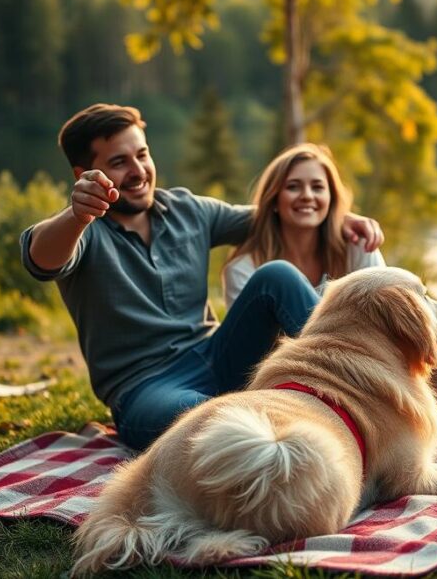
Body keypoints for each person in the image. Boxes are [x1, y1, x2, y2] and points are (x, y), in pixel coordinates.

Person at [19, 104, 383, 450]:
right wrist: (76, 215)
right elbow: (40, 258)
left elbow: (273, 213)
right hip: (147, 387)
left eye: (142, 155)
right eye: (118, 162)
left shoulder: (186, 209)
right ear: (84, 175)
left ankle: (362, 386)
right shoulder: (81, 232)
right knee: (211, 417)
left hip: (218, 354)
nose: (138, 170)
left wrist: (338, 216)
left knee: (277, 275)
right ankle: (296, 431)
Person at [222, 143, 384, 307]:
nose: (307, 195)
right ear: (274, 200)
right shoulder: (243, 270)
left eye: (317, 187)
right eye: (293, 187)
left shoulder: (358, 247)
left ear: (331, 198)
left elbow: (385, 313)